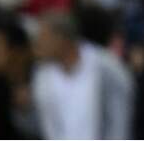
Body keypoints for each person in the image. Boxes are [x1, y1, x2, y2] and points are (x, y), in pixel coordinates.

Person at [31, 12, 135, 140]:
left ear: (62, 39)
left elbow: (120, 118)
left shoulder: (107, 67)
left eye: (43, 37)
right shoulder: (42, 76)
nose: (38, 43)